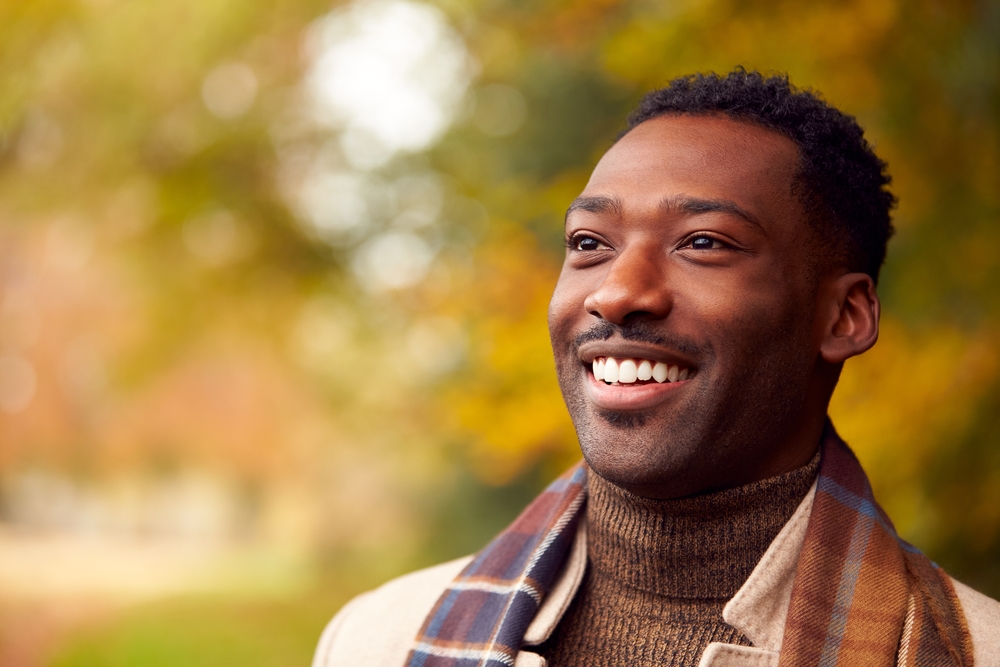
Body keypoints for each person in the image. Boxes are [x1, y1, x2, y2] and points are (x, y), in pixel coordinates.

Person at [312, 70, 1000, 666]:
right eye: (590, 242)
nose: (617, 292)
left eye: (703, 242)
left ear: (843, 316)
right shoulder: (376, 641)